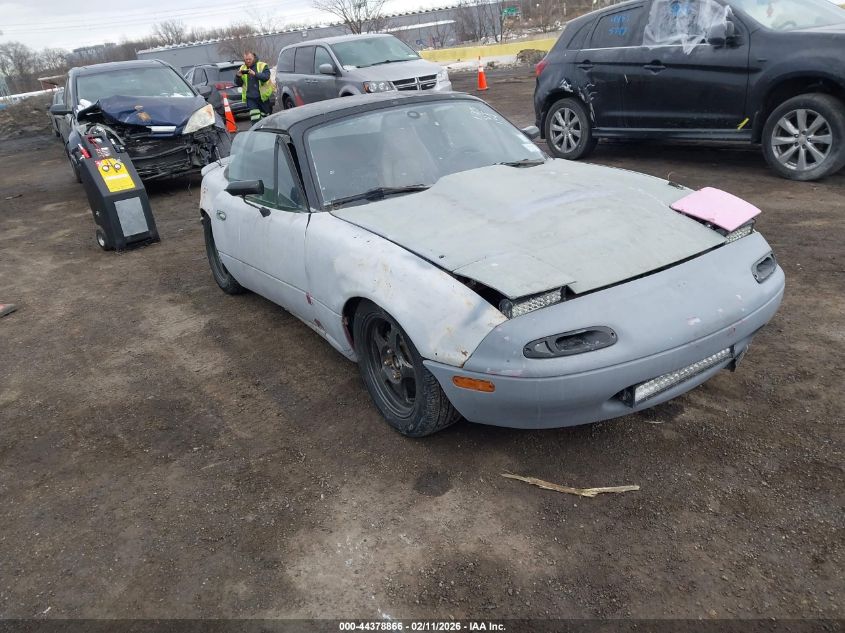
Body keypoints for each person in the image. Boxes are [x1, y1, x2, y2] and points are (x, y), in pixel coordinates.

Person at [234, 51, 274, 125]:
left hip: (263, 97)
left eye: (250, 59)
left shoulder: (262, 65)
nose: (248, 61)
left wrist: (255, 74)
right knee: (255, 119)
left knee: (265, 118)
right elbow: (238, 83)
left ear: (254, 58)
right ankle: (256, 132)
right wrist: (238, 76)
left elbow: (266, 77)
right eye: (246, 59)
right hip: (251, 98)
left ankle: (266, 130)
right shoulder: (242, 68)